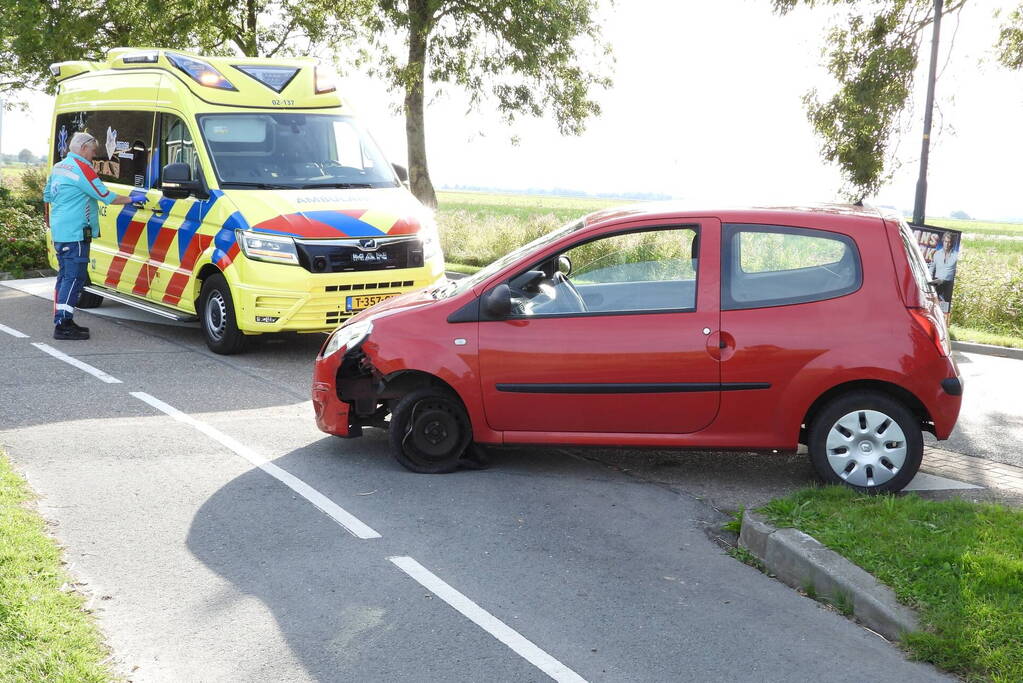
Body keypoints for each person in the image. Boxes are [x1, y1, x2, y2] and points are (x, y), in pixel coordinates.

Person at [43, 132, 136, 340]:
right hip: (76, 233)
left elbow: (47, 195)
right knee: (74, 277)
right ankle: (63, 325)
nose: (94, 155)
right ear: (84, 149)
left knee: (65, 276)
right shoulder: (82, 168)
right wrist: (132, 199)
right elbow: (105, 195)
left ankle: (63, 319)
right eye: (93, 150)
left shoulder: (59, 167)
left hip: (60, 231)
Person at [930, 231, 960, 313]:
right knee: (932, 304)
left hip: (949, 283)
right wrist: (929, 282)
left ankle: (943, 319)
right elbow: (931, 269)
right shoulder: (937, 254)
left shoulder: (956, 255)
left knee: (945, 308)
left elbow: (958, 271)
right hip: (937, 281)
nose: (947, 244)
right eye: (945, 241)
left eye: (949, 242)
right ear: (943, 241)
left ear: (952, 243)